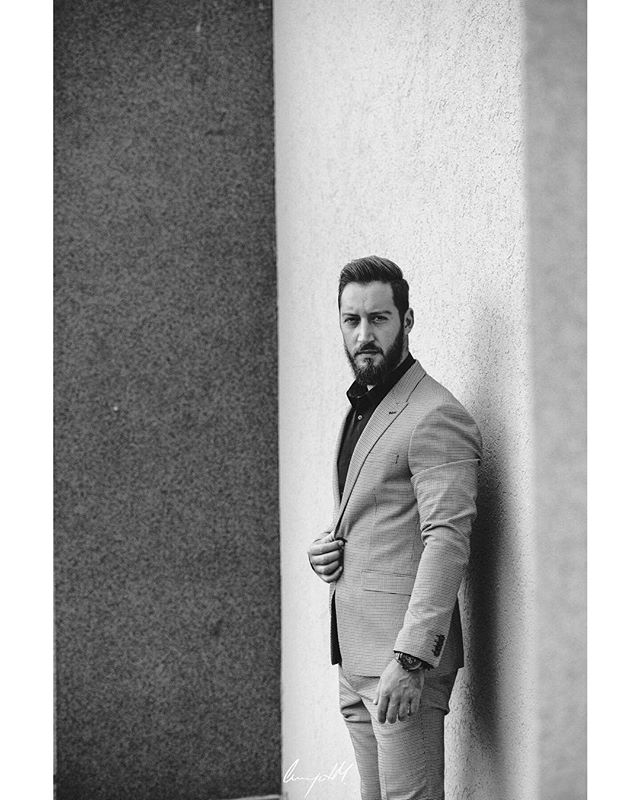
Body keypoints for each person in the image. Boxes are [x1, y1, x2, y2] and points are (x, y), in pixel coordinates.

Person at [308, 256, 482, 800]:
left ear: (407, 321)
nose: (365, 334)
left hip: (401, 664)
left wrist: (410, 661)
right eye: (352, 320)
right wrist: (330, 550)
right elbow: (377, 513)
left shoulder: (435, 415)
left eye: (379, 319)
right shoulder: (362, 407)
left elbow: (448, 540)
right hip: (354, 652)